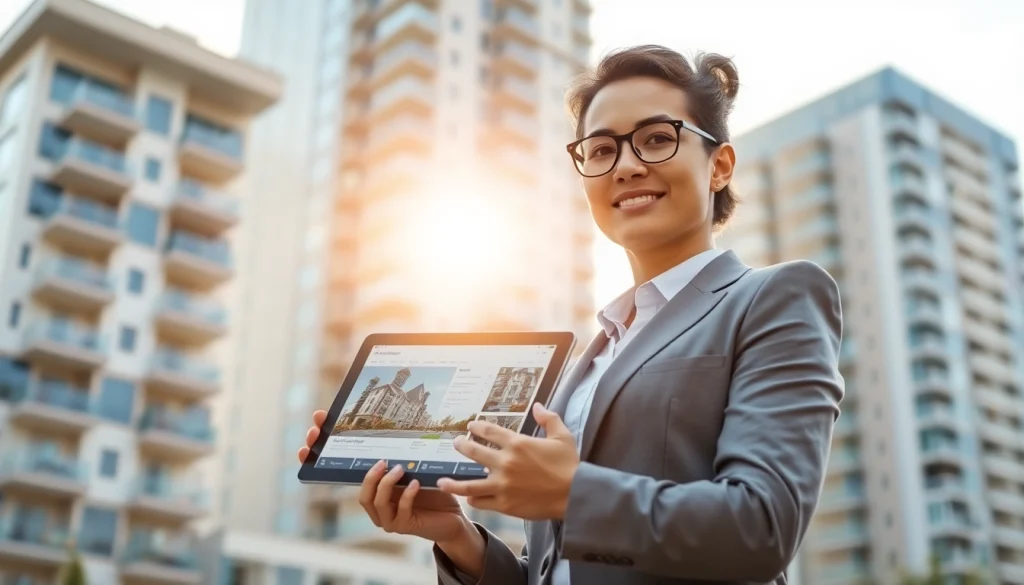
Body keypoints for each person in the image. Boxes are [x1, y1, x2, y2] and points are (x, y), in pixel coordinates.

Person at [298, 45, 844, 585]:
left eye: (657, 139)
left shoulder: (775, 296)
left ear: (719, 166)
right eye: (601, 149)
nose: (626, 166)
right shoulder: (592, 355)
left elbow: (762, 528)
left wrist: (572, 492)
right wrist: (456, 537)